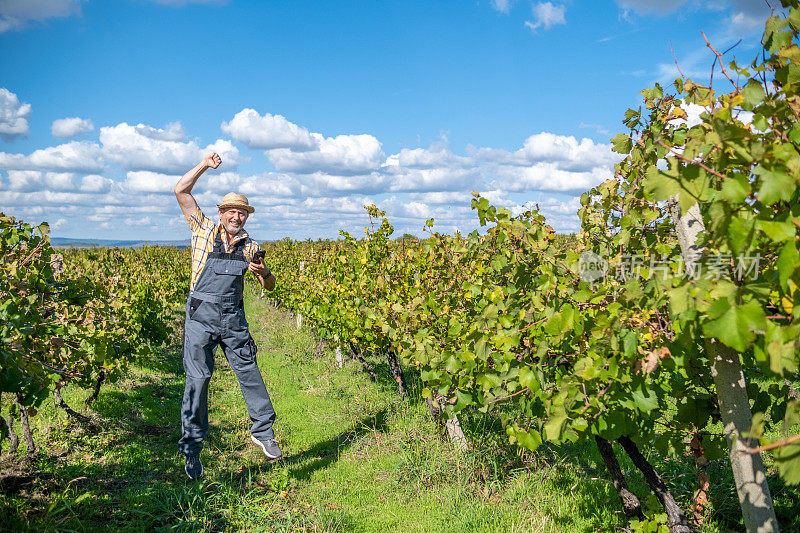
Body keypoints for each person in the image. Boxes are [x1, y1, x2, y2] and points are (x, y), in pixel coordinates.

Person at [173, 152, 281, 480]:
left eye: (242, 212)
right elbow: (180, 190)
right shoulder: (202, 227)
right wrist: (205, 164)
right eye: (231, 211)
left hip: (233, 318)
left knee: (249, 371)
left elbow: (271, 286)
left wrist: (263, 272)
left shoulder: (251, 247)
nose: (237, 217)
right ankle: (192, 447)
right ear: (220, 213)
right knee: (198, 379)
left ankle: (263, 433)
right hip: (200, 317)